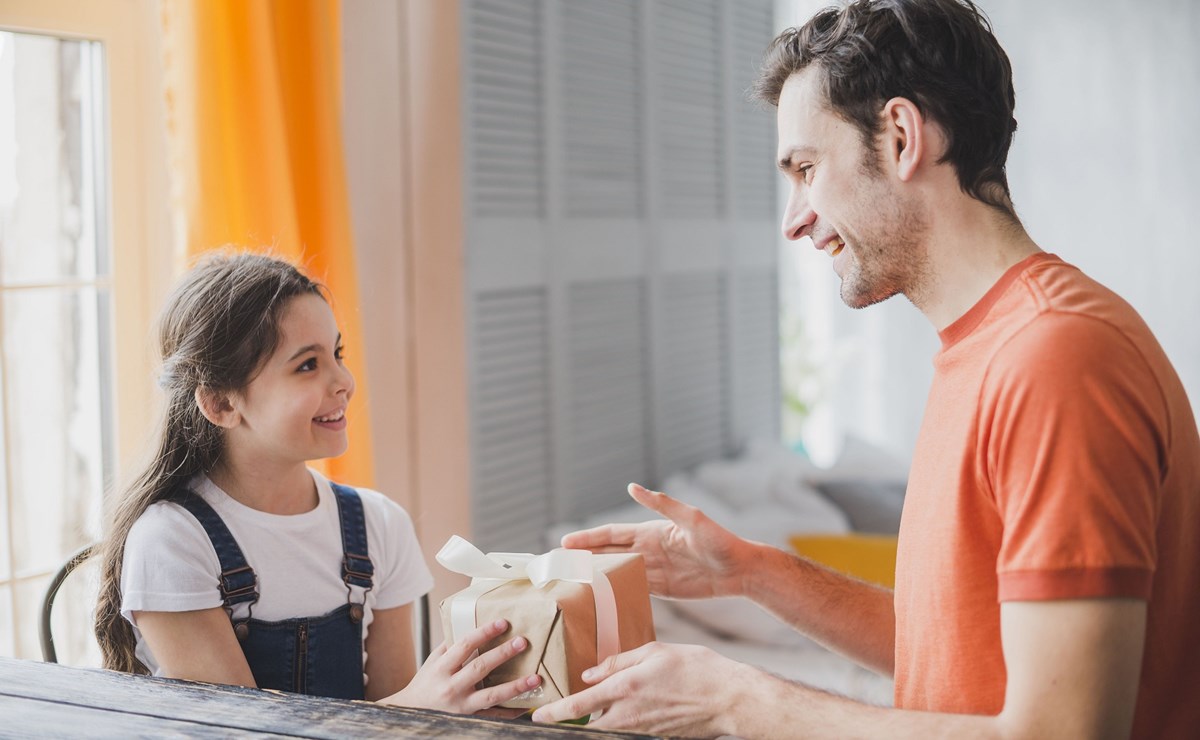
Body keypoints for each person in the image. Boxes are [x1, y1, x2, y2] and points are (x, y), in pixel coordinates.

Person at [531, 0, 1200, 737]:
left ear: (902, 137)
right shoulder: (990, 347)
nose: (794, 218)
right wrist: (753, 572)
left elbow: (1062, 731)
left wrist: (740, 702)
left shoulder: (1056, 359)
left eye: (807, 169)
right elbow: (958, 643)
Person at [93, 252, 540, 711]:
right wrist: (419, 706)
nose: (344, 380)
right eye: (308, 365)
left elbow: (397, 712)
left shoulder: (378, 524)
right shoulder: (172, 540)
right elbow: (242, 731)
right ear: (221, 404)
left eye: (337, 353)